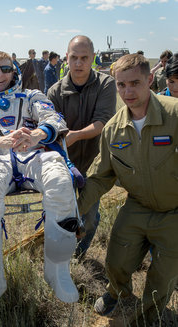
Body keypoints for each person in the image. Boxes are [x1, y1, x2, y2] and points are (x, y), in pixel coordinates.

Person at [0, 51, 80, 317]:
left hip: (33, 153)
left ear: (14, 72)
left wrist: (37, 134)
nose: (0, 75)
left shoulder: (32, 96)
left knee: (60, 180)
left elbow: (55, 119)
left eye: (5, 69)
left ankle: (57, 270)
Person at [78, 53, 178, 326]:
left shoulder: (174, 114)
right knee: (115, 262)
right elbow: (100, 177)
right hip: (138, 205)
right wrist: (74, 211)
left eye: (135, 83)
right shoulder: (113, 129)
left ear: (149, 80)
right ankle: (118, 292)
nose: (128, 91)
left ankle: (147, 318)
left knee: (162, 280)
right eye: (121, 85)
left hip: (174, 211)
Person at [47, 35, 116, 259]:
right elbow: (52, 129)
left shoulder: (106, 84)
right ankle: (59, 257)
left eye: (84, 58)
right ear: (66, 58)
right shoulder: (55, 92)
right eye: (74, 57)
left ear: (93, 58)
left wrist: (75, 136)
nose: (78, 63)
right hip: (63, 164)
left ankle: (78, 257)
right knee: (61, 215)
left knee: (90, 217)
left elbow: (103, 121)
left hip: (94, 163)